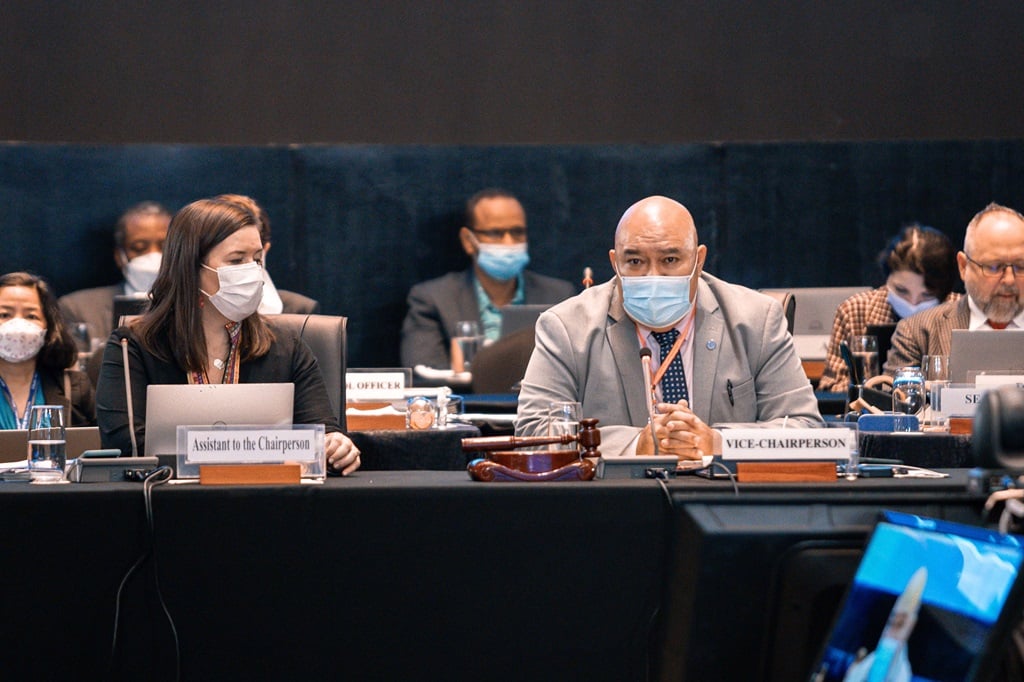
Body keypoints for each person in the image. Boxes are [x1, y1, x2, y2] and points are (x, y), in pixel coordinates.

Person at [515, 195, 823, 458]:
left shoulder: (757, 319)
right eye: (635, 262)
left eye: (670, 259)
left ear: (699, 261)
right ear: (614, 263)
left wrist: (717, 442)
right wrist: (636, 445)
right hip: (616, 502)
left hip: (724, 499)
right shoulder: (567, 328)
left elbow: (805, 428)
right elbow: (533, 434)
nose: (653, 276)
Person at [95, 197, 360, 475]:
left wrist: (336, 445)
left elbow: (322, 434)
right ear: (191, 267)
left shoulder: (287, 347)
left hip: (268, 494)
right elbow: (127, 449)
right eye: (236, 260)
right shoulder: (131, 347)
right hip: (168, 496)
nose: (253, 271)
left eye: (256, 259)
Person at [400, 188, 576, 369]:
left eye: (517, 232)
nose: (509, 242)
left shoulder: (559, 297)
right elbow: (424, 372)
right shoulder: (434, 300)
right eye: (495, 233)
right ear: (468, 241)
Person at [884, 203, 1024, 374]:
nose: (1009, 280)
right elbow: (896, 391)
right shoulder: (917, 332)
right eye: (994, 267)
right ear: (964, 266)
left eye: (1021, 267)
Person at [818, 224, 960, 392]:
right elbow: (831, 387)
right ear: (887, 277)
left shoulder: (960, 311)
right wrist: (865, 387)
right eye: (902, 290)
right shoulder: (855, 310)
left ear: (944, 292)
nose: (913, 303)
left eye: (926, 295)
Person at [58, 201, 172, 345]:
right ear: (119, 256)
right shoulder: (78, 308)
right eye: (139, 248)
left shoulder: (197, 305)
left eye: (165, 247)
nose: (153, 255)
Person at [0, 272, 95, 428]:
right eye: (4, 314)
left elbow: (102, 441)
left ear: (48, 327)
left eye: (31, 316)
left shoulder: (75, 387)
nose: (17, 325)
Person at [214, 194, 321, 315]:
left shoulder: (300, 311)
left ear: (265, 250)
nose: (250, 268)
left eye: (257, 259)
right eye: (236, 260)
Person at [843, 567, 927, 682]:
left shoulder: (901, 671)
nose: (895, 623)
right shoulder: (867, 664)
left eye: (900, 623)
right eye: (893, 619)